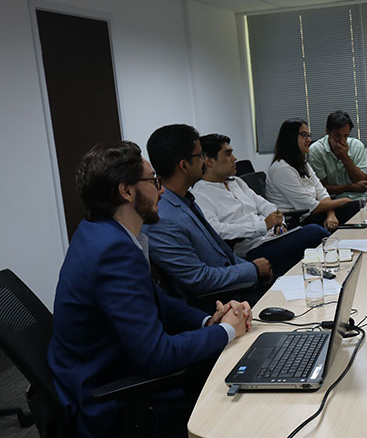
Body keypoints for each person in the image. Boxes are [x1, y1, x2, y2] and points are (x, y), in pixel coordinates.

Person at [47, 142, 252, 438]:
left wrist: (208, 321)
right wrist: (227, 331)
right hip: (112, 401)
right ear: (126, 191)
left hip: (102, 370)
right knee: (239, 407)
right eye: (153, 181)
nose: (162, 190)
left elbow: (157, 299)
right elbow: (157, 357)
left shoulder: (101, 231)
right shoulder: (113, 252)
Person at [143, 124, 272, 307]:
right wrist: (252, 270)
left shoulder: (185, 199)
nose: (205, 161)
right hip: (220, 304)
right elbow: (198, 279)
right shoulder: (164, 218)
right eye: (200, 156)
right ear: (184, 165)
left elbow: (223, 254)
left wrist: (254, 271)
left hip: (237, 286)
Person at [192, 133, 330, 276]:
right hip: (250, 250)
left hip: (271, 238)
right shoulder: (200, 194)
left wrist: (279, 222)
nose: (234, 159)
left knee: (315, 241)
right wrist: (262, 226)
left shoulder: (236, 182)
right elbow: (217, 231)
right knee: (316, 232)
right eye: (227, 154)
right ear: (209, 161)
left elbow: (266, 205)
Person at [265, 118, 359, 231]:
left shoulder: (302, 163)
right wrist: (345, 200)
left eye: (309, 135)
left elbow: (322, 193)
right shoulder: (281, 169)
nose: (309, 140)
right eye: (304, 135)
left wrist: (331, 214)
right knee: (352, 207)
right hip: (296, 222)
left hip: (312, 215)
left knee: (353, 208)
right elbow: (310, 207)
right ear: (290, 137)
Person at [308, 110, 367, 200]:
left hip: (359, 198)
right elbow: (321, 188)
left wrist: (345, 157)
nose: (341, 141)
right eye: (337, 135)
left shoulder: (357, 145)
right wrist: (350, 187)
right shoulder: (316, 150)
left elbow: (363, 182)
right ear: (327, 131)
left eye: (345, 136)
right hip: (332, 201)